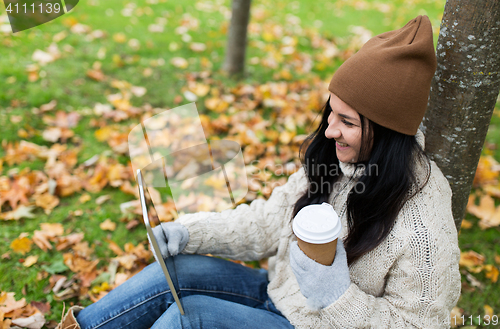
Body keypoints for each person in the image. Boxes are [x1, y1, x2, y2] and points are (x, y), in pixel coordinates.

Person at [58, 15, 461, 329]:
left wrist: (338, 297)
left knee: (190, 319)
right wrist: (188, 232)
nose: (329, 130)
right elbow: (267, 222)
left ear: (388, 133)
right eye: (330, 113)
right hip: (280, 297)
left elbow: (421, 323)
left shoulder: (423, 225)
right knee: (175, 272)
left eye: (348, 122)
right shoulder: (337, 161)